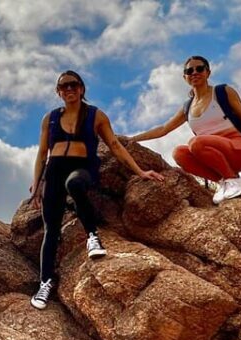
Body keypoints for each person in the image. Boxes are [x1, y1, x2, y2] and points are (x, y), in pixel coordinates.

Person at [29, 70, 164, 310]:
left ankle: (93, 236)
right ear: (58, 92)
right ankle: (45, 283)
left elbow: (114, 145)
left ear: (81, 88)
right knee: (51, 229)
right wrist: (37, 185)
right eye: (63, 86)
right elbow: (42, 154)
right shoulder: (49, 118)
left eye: (73, 85)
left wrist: (140, 172)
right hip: (55, 170)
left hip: (82, 167)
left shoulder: (95, 115)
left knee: (75, 183)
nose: (69, 89)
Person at [133, 55, 241, 203]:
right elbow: (163, 129)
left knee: (196, 143)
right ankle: (224, 182)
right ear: (185, 77)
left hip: (240, 150)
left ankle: (233, 179)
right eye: (190, 71)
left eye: (199, 68)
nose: (194, 72)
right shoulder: (187, 108)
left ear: (208, 72)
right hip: (214, 157)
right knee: (179, 153)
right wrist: (132, 140)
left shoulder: (222, 92)